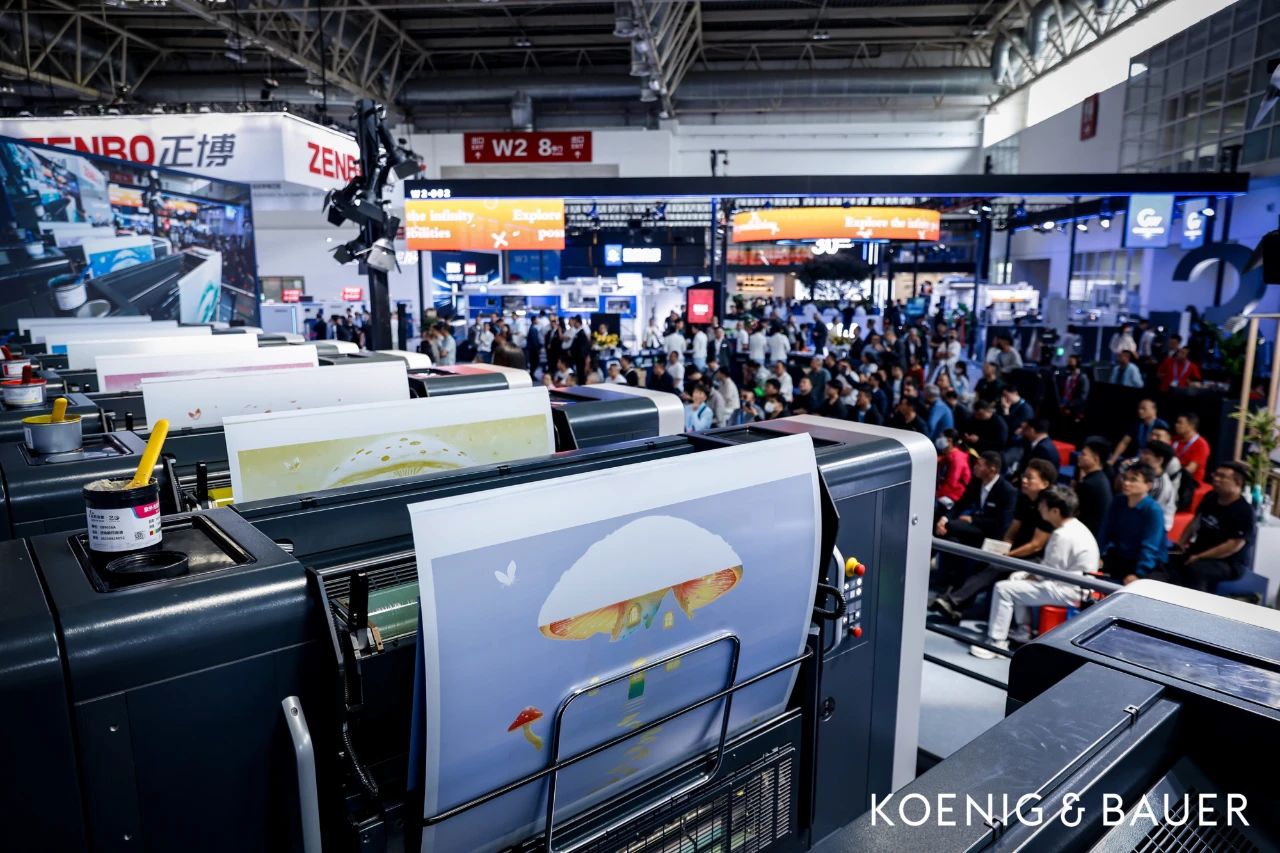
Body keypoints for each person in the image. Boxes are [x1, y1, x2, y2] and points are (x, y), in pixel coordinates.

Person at [931, 459, 1057, 622]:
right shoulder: (1024, 499)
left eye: (1030, 478)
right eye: (1024, 476)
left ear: (1045, 483)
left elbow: (1036, 545)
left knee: (996, 566)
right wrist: (1003, 548)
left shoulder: (1048, 505)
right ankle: (955, 606)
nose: (1024, 480)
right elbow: (1012, 530)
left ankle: (952, 601)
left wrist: (1008, 555)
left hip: (1037, 558)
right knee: (983, 558)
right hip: (1017, 550)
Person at [1169, 462, 1256, 592]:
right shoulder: (1210, 497)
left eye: (1222, 476)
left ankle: (1195, 602)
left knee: (1196, 569)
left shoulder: (1244, 511)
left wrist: (1200, 557)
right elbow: (1195, 521)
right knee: (1169, 559)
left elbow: (1233, 546)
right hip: (1199, 551)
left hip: (1227, 562)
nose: (1216, 479)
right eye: (1215, 475)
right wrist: (1181, 543)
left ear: (1237, 482)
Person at [1098, 464, 1167, 584]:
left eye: (1133, 480)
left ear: (1148, 485)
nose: (1126, 483)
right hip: (1121, 557)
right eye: (1125, 478)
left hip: (1149, 565)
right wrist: (1097, 555)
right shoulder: (1119, 501)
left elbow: (1150, 547)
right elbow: (1104, 533)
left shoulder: (1153, 510)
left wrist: (1138, 573)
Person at [1116, 440, 1177, 532]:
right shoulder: (1137, 463)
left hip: (1153, 526)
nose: (1141, 455)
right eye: (1142, 452)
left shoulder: (1162, 486)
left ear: (1159, 460)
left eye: (1146, 453)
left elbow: (1148, 512)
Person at [1074, 437, 1113, 539]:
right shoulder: (1100, 478)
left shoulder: (1089, 485)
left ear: (1096, 459)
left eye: (1083, 454)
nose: (1079, 457)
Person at [1109, 399, 1167, 465]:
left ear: (1154, 410)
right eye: (1139, 408)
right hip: (1138, 457)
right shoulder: (1138, 424)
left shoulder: (1161, 425)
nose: (1140, 411)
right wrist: (1112, 460)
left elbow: (1162, 448)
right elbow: (1124, 442)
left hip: (1153, 459)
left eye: (1143, 409)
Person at [936, 429, 972, 509]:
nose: (939, 439)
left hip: (954, 495)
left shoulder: (957, 458)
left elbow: (952, 483)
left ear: (949, 440)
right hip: (944, 491)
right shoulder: (947, 455)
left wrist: (935, 494)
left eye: (941, 437)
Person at [1171, 412, 1210, 484]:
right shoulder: (1174, 440)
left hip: (1190, 483)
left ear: (1191, 426)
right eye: (1176, 422)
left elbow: (1190, 469)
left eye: (1180, 423)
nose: (1176, 425)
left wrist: (1171, 475)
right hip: (1173, 477)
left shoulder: (1201, 444)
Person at [1058, 355, 1090, 419]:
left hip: (1074, 409)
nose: (1068, 363)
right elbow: (1057, 373)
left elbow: (1083, 397)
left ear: (1077, 363)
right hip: (1063, 405)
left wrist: (1069, 405)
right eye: (1068, 361)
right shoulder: (1067, 375)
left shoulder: (1083, 377)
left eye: (1071, 361)